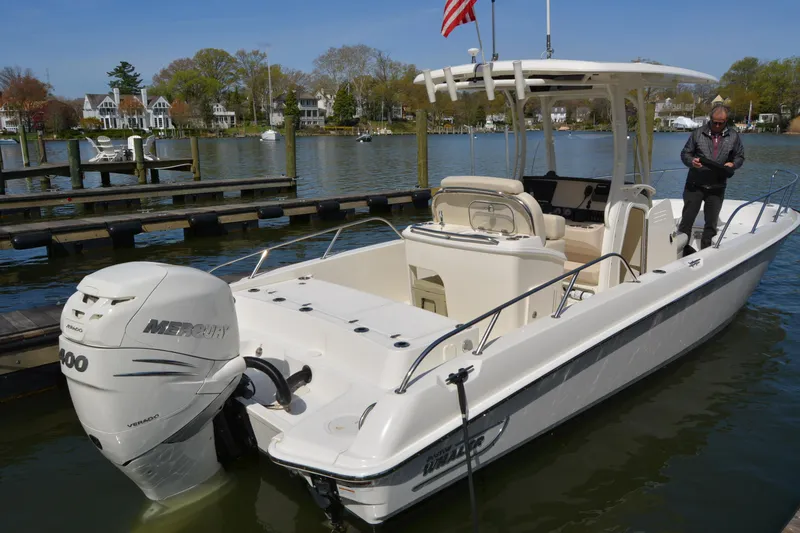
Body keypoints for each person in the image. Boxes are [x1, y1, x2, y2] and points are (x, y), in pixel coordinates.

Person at [678, 104, 745, 250]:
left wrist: (733, 164)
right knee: (686, 221)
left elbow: (740, 156)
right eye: (715, 122)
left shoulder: (733, 136)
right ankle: (681, 252)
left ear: (726, 121)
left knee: (711, 225)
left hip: (717, 187)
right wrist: (691, 161)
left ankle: (706, 254)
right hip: (695, 185)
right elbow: (685, 153)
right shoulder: (698, 133)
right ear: (710, 119)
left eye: (721, 123)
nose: (717, 126)